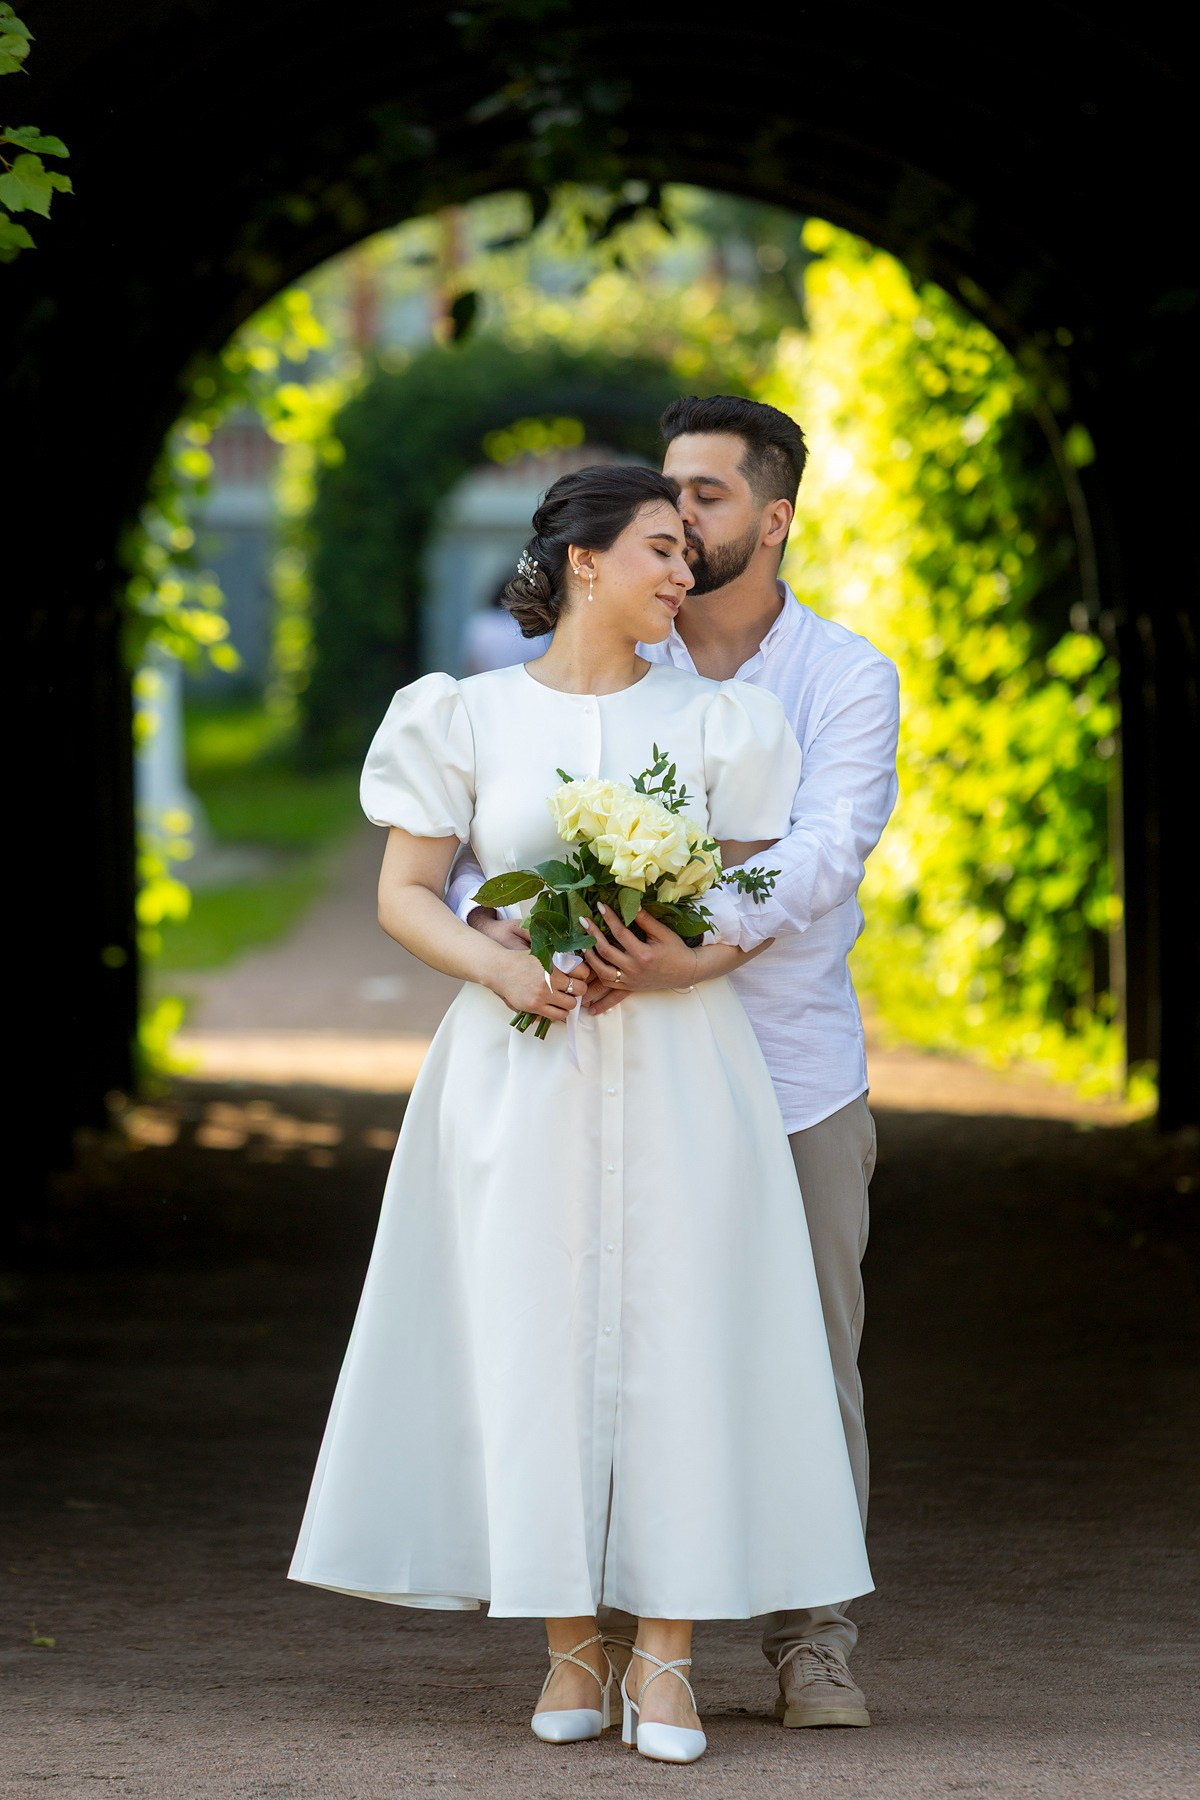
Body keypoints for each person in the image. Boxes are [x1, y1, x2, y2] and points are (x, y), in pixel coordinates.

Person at [290, 463, 871, 1766]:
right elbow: (408, 893)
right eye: (663, 549)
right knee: (529, 1330)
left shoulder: (729, 727)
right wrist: (505, 965)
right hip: (516, 1066)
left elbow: (738, 906)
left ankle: (666, 1658)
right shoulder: (462, 715)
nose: (687, 571)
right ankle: (568, 1642)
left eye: (693, 548)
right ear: (586, 561)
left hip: (684, 1066)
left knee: (686, 1331)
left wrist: (673, 955)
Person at [451, 396, 900, 1730]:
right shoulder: (584, 664)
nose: (682, 520)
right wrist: (532, 934)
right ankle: (607, 1638)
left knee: (806, 1356)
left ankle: (813, 1641)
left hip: (787, 1066)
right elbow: (483, 841)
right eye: (668, 499)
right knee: (602, 1347)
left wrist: (696, 947)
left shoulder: (842, 678)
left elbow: (822, 851)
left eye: (707, 497)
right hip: (599, 1069)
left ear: (773, 518)